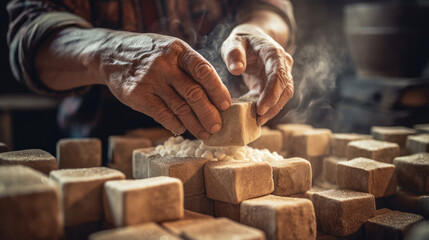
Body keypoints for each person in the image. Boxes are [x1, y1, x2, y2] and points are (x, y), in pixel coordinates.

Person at [7, 0, 296, 140]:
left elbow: (269, 7)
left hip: (228, 143)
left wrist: (258, 29)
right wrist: (113, 53)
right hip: (105, 148)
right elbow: (31, 37)